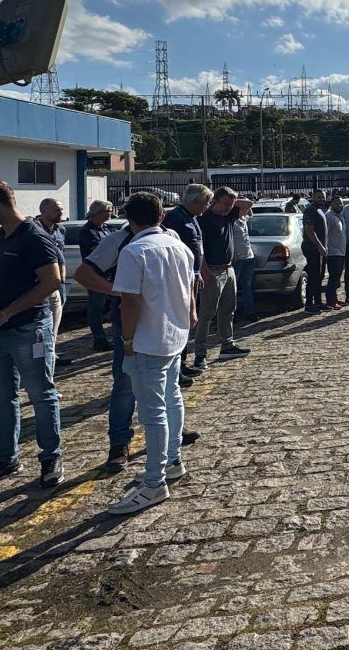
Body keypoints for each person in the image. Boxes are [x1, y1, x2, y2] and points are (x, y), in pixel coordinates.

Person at [0, 179, 64, 493]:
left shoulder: (33, 236)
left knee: (41, 395)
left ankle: (51, 458)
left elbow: (52, 281)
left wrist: (6, 314)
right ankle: (5, 458)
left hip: (27, 330)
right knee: (2, 399)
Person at [109, 192, 197, 513]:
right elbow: (190, 288)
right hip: (174, 335)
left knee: (153, 411)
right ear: (161, 216)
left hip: (147, 340)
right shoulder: (180, 246)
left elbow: (129, 301)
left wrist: (128, 341)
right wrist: (190, 318)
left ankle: (153, 482)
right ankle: (172, 460)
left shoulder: (135, 251)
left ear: (129, 221)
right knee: (172, 400)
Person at [192, 187, 250, 369]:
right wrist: (205, 270)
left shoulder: (229, 215)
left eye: (231, 204)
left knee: (228, 310)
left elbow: (248, 204)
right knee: (207, 314)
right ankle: (200, 354)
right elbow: (197, 248)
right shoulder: (204, 219)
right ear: (214, 201)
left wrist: (233, 201)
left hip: (228, 268)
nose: (229, 207)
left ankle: (227, 345)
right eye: (225, 204)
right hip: (212, 270)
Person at [164, 184, 211, 386]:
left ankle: (182, 363)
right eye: (206, 202)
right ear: (194, 201)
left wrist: (197, 271)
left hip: (192, 276)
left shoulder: (192, 217)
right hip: (181, 278)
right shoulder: (176, 219)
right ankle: (176, 367)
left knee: (187, 322)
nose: (207, 206)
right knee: (181, 321)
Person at [78, 200, 116, 352]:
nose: (111, 213)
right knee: (96, 309)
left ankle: (114, 335)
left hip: (111, 275)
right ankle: (99, 340)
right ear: (98, 212)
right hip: (96, 276)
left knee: (114, 307)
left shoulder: (108, 229)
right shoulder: (88, 231)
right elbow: (100, 251)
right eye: (108, 210)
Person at [34, 198, 68, 349]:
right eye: (56, 209)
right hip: (41, 281)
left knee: (56, 317)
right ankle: (45, 350)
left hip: (59, 282)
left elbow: (60, 253)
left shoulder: (60, 229)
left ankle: (51, 349)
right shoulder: (34, 229)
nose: (60, 212)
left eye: (61, 209)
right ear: (43, 211)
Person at [231, 199, 258, 325]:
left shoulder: (243, 219)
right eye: (243, 208)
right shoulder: (231, 221)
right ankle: (232, 314)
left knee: (247, 287)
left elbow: (250, 209)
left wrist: (245, 204)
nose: (247, 210)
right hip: (237, 259)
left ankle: (250, 312)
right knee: (232, 289)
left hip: (248, 257)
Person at [301, 189, 329, 314]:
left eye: (322, 197)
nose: (321, 199)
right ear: (313, 197)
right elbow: (309, 230)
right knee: (313, 277)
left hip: (320, 250)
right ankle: (309, 305)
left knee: (319, 276)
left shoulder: (319, 210)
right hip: (312, 249)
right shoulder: (310, 211)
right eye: (318, 197)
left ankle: (318, 302)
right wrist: (319, 246)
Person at [325, 195, 347, 308]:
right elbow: (325, 234)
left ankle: (335, 299)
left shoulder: (340, 216)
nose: (339, 205)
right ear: (331, 204)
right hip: (333, 252)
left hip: (341, 251)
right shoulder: (329, 216)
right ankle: (330, 301)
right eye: (337, 203)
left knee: (337, 277)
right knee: (333, 277)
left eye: (341, 203)